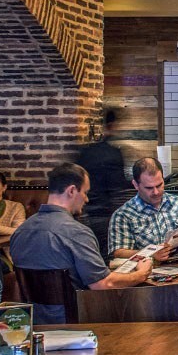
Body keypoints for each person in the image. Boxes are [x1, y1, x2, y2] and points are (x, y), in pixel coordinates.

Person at [10, 164, 152, 323]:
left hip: (33, 324)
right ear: (71, 191)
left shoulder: (20, 232)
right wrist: (140, 275)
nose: (86, 199)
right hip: (78, 322)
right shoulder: (76, 233)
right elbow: (103, 284)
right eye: (85, 192)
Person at [108, 158, 178, 260]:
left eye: (159, 185)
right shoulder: (124, 215)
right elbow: (119, 252)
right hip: (149, 273)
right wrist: (150, 253)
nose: (156, 192)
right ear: (136, 185)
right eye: (149, 188)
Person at [76, 107, 130, 255]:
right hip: (105, 214)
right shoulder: (113, 154)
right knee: (105, 255)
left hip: (84, 213)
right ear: (111, 126)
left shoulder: (85, 152)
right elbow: (118, 188)